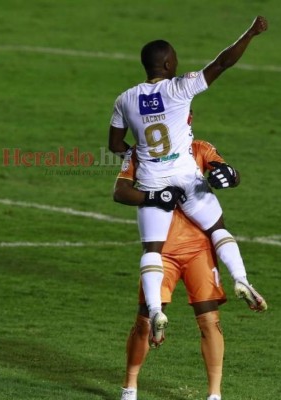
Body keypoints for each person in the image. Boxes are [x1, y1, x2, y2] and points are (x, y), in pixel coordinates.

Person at [109, 16, 268, 347]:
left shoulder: (124, 99)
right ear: (168, 63)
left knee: (152, 249)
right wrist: (250, 33)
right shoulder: (179, 87)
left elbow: (114, 145)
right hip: (186, 176)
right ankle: (241, 279)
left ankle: (155, 311)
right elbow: (222, 62)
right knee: (217, 228)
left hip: (152, 181)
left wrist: (138, 157)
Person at [114, 140, 267, 400]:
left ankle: (213, 394)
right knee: (149, 322)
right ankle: (131, 388)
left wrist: (230, 175)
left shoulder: (199, 148)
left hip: (186, 251)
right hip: (172, 252)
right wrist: (153, 195)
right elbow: (121, 191)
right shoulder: (143, 152)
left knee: (205, 320)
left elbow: (228, 172)